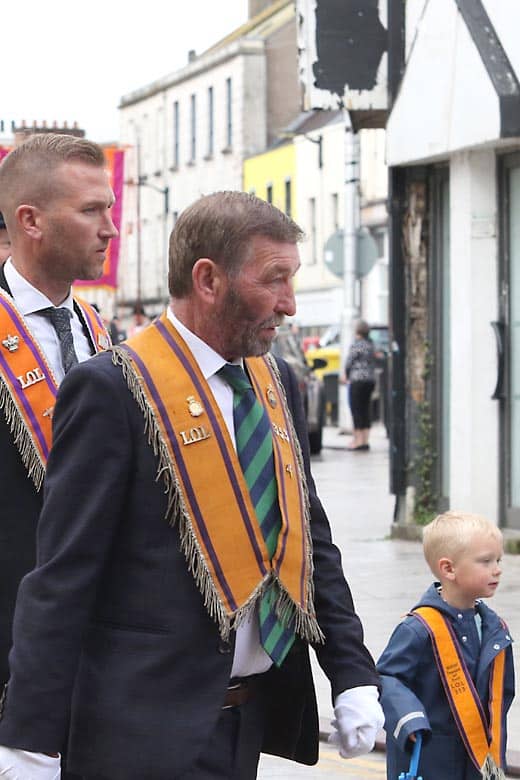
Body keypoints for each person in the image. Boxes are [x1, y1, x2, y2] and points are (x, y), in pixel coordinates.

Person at [0, 191, 383, 780]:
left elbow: (309, 538)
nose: (289, 303)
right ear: (208, 280)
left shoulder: (278, 379)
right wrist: (30, 738)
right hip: (137, 733)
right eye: (273, 279)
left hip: (246, 721)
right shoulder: (112, 388)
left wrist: (352, 673)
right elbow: (63, 575)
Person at [0, 133, 118, 776]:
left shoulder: (100, 332)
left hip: (100, 664)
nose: (112, 228)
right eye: (91, 211)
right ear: (31, 220)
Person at [377, 511, 515, 780]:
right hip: (431, 760)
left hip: (479, 764)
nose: (497, 569)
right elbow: (387, 678)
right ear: (448, 569)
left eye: (498, 560)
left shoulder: (495, 629)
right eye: (485, 561)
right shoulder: (418, 629)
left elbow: (502, 696)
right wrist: (409, 719)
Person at [342, 319, 376, 451]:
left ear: (357, 331)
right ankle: (365, 440)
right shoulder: (370, 345)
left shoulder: (357, 345)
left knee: (356, 410)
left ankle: (357, 441)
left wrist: (346, 374)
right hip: (369, 381)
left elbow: (349, 361)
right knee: (366, 410)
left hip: (357, 381)